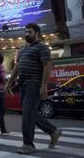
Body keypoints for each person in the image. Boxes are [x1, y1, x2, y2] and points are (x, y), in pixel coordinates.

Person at [6, 23, 62, 154]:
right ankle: (53, 131)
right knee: (29, 113)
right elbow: (17, 67)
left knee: (27, 114)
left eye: (29, 32)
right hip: (22, 85)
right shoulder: (22, 49)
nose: (26, 34)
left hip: (34, 83)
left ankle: (28, 145)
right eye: (25, 32)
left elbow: (47, 66)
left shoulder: (42, 47)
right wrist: (9, 83)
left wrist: (43, 86)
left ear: (37, 33)